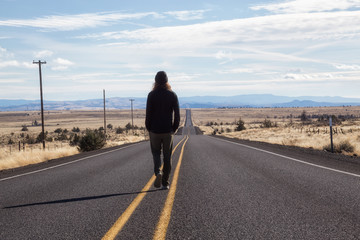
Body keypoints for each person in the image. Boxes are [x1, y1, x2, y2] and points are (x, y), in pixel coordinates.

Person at [145, 71, 180, 190]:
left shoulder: (151, 95)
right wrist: (173, 128)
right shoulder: (172, 95)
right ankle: (165, 183)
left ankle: (157, 172)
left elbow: (148, 114)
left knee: (156, 153)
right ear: (166, 81)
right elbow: (177, 115)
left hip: (154, 130)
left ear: (155, 81)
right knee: (167, 156)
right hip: (167, 131)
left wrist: (149, 128)